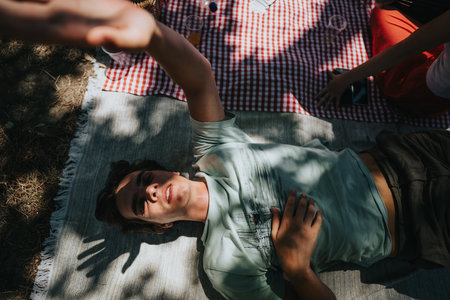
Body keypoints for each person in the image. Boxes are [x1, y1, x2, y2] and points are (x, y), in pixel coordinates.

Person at [1, 1, 449, 299]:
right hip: (419, 224)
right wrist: (297, 269)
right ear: (157, 229)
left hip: (406, 155)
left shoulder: (215, 154)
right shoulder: (223, 266)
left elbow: (197, 77)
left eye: (145, 181)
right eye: (141, 205)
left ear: (169, 173)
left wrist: (154, 34)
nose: (151, 192)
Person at [316, 2, 450, 117]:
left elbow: (404, 50)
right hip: (442, 86)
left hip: (419, 91)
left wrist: (344, 79)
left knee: (383, 12)